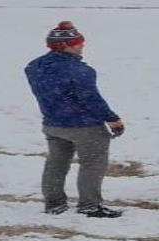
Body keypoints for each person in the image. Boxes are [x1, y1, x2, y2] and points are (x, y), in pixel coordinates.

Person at [25, 21, 125, 218]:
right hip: (84, 126)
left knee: (56, 163)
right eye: (78, 43)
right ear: (65, 45)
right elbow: (91, 99)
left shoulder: (33, 67)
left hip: (53, 124)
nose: (82, 46)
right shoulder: (80, 71)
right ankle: (89, 205)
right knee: (93, 163)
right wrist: (112, 119)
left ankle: (54, 204)